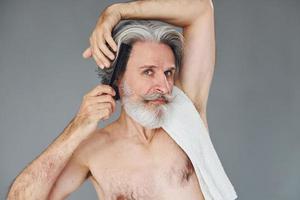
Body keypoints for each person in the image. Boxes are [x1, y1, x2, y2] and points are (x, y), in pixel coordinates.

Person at [7, 0, 216, 199]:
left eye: (169, 72)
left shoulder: (188, 110)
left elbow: (201, 10)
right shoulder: (93, 149)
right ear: (118, 78)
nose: (164, 87)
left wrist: (117, 11)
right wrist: (77, 128)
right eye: (148, 72)